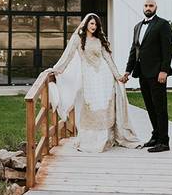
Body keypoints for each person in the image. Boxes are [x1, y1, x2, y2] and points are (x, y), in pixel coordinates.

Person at [48, 13, 140, 153]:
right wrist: (57, 69)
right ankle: (90, 140)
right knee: (91, 104)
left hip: (104, 76)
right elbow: (68, 56)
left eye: (96, 24)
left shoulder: (99, 39)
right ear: (86, 24)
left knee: (104, 105)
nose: (94, 26)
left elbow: (108, 58)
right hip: (89, 76)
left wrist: (117, 76)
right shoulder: (78, 39)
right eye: (91, 23)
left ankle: (106, 138)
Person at [120, 0, 172, 152]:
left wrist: (164, 70)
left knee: (160, 107)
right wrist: (127, 71)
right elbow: (134, 51)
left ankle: (164, 142)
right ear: (143, 7)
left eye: (151, 5)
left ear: (156, 7)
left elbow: (167, 50)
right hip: (142, 73)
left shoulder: (162, 24)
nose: (148, 7)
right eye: (146, 5)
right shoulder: (137, 26)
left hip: (158, 73)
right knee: (150, 107)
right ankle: (156, 136)